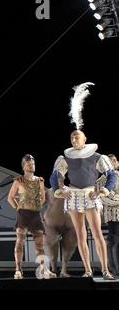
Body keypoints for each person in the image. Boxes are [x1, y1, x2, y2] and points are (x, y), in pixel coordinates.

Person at [50, 83, 117, 279]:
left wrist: (103, 190)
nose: (74, 139)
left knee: (96, 233)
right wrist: (59, 189)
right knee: (80, 235)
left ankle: (105, 270)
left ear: (85, 138)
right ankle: (88, 270)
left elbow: (111, 174)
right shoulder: (65, 157)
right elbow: (55, 175)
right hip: (73, 195)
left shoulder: (97, 157)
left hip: (90, 194)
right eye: (72, 137)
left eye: (77, 137)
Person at [8, 154, 56, 279]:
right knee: (19, 242)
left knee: (40, 245)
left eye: (33, 164)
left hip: (35, 215)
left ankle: (44, 270)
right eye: (29, 164)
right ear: (24, 166)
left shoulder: (39, 180)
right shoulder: (19, 181)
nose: (31, 166)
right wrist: (18, 208)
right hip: (23, 215)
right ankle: (18, 270)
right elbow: (10, 198)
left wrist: (37, 205)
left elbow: (43, 197)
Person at [98, 154, 119, 275]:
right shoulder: (101, 181)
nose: (112, 163)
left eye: (114, 161)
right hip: (113, 217)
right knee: (113, 243)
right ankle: (115, 270)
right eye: (109, 161)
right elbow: (106, 198)